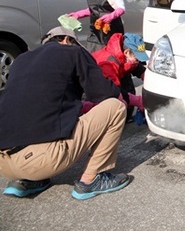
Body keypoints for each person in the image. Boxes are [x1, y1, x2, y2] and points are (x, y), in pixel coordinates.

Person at [0, 26, 131, 200]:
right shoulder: (72, 52)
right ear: (67, 40)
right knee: (115, 107)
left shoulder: (21, 60)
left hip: (4, 164)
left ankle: (28, 181)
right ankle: (92, 179)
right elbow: (105, 93)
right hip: (42, 161)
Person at [83, 33, 148, 121]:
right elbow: (113, 92)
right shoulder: (108, 64)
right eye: (137, 59)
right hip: (91, 95)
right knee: (119, 106)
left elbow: (136, 68)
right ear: (126, 52)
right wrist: (138, 101)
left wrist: (150, 80)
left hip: (106, 87)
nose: (138, 62)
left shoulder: (121, 55)